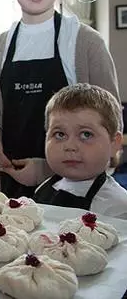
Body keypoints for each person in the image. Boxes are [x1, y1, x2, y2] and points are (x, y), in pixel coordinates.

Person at [0, 0, 119, 199]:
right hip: (11, 187)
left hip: (75, 193)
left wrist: (45, 168)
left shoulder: (87, 43)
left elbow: (110, 127)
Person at [33, 83, 127, 219]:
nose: (70, 146)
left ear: (114, 143)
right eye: (60, 134)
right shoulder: (43, 189)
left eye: (86, 135)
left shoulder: (118, 208)